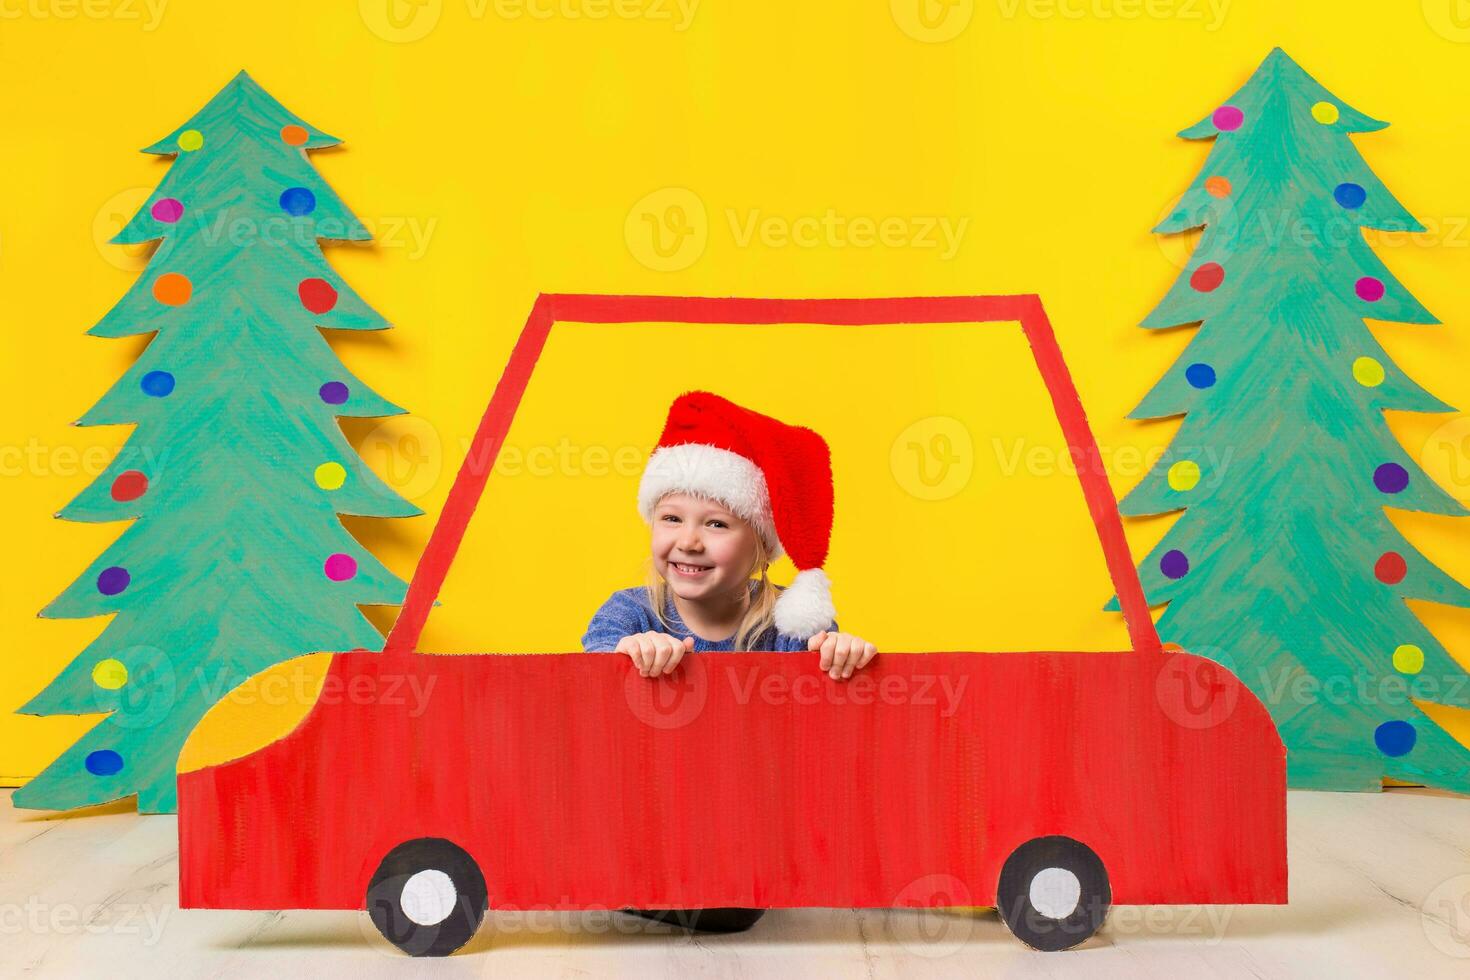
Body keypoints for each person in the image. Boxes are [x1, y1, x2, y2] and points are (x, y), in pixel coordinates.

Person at [581, 390, 879, 934]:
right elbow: (588, 682)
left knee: (734, 906)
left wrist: (840, 655)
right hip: (649, 822)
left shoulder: (790, 622)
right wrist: (628, 657)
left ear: (761, 547)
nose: (688, 541)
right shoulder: (630, 612)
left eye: (716, 524)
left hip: (744, 831)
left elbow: (821, 710)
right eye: (671, 518)